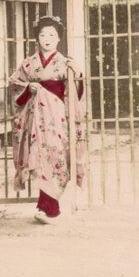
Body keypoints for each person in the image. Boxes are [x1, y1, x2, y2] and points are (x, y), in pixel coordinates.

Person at [9, 15, 86, 224]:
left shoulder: (65, 63)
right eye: (43, 34)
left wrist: (77, 74)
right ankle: (47, 208)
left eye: (52, 34)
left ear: (59, 38)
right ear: (37, 39)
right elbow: (15, 85)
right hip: (35, 118)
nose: (47, 38)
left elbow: (75, 94)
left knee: (54, 156)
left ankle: (50, 208)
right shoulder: (28, 64)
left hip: (57, 118)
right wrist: (29, 88)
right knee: (38, 157)